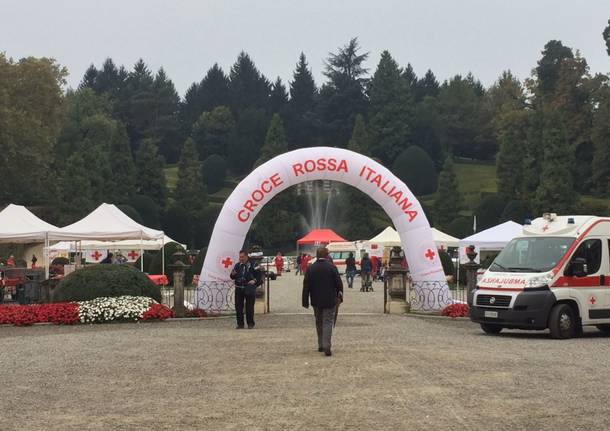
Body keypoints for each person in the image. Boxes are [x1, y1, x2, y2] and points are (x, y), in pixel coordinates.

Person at [302, 247, 343, 357]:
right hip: (330, 300)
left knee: (318, 321)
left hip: (316, 300)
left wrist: (305, 301)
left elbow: (306, 286)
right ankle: (327, 345)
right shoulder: (332, 267)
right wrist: (340, 295)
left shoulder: (311, 268)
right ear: (326, 255)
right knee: (328, 322)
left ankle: (320, 344)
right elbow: (338, 283)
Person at [230, 249, 258, 329]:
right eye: (240, 257)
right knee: (238, 307)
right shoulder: (237, 265)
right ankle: (240, 324)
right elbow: (232, 276)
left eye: (242, 257)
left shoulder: (253, 264)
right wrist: (232, 274)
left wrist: (254, 280)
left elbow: (259, 275)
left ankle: (250, 323)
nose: (241, 259)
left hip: (248, 288)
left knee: (249, 307)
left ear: (246, 256)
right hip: (239, 288)